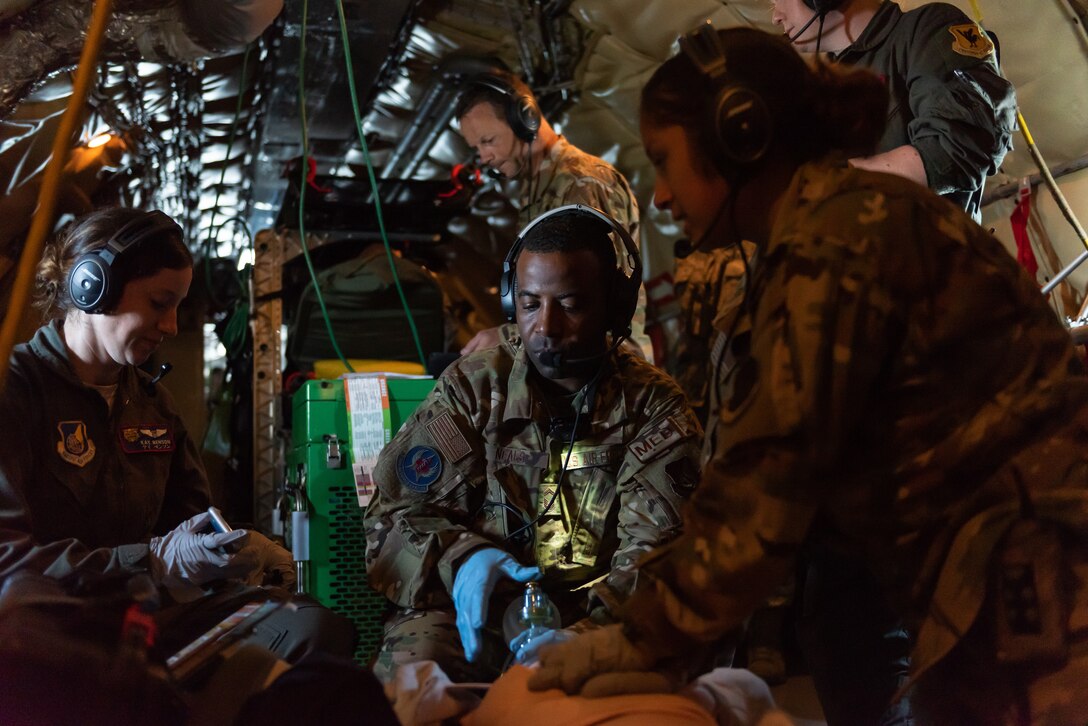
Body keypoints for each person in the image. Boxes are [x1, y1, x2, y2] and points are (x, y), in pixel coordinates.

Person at [528, 27, 1088, 726]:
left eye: (668, 163)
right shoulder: (830, 228)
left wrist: (647, 640)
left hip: (1048, 585)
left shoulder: (837, 242)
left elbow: (768, 483)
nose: (663, 195)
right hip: (1006, 572)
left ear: (741, 139)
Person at [364, 204, 703, 683]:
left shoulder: (655, 408)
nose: (545, 328)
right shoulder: (473, 388)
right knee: (412, 672)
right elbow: (391, 517)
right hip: (480, 611)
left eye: (569, 304)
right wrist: (463, 560)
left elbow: (658, 559)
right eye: (528, 304)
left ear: (613, 305)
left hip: (599, 619)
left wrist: (587, 639)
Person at [0, 207, 353, 664]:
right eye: (158, 303)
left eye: (177, 307)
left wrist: (240, 548)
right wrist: (153, 563)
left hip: (146, 618)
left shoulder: (153, 405)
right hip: (51, 632)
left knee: (309, 627)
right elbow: (7, 560)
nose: (170, 326)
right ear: (93, 287)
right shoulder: (15, 390)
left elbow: (191, 526)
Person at [456, 69, 652, 358]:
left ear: (524, 119)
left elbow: (586, 300)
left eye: (488, 140)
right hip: (572, 362)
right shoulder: (538, 188)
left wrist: (505, 337)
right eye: (477, 147)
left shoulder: (581, 183)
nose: (484, 157)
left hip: (609, 368)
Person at [770, 0, 1017, 222]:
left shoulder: (927, 29)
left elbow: (957, 147)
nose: (775, 17)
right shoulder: (823, 92)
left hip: (937, 263)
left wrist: (832, 181)